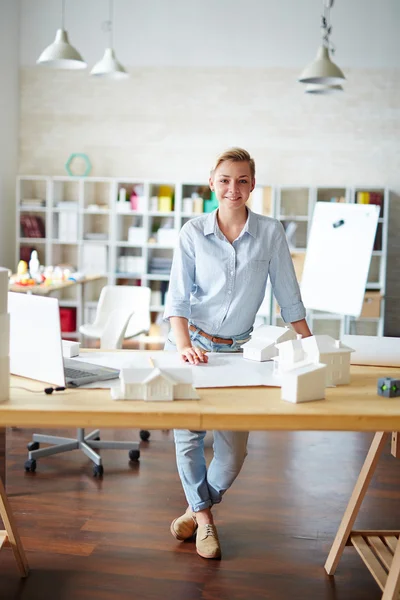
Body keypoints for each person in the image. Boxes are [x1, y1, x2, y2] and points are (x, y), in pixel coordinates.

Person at [164, 147, 312, 560]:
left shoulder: (270, 232)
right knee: (188, 437)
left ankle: (197, 507)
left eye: (242, 180)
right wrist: (184, 346)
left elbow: (290, 299)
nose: (233, 188)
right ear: (211, 182)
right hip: (191, 344)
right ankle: (207, 524)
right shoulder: (192, 232)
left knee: (234, 451)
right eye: (225, 180)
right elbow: (176, 300)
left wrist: (312, 349)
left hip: (239, 352)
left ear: (252, 184)